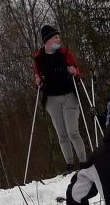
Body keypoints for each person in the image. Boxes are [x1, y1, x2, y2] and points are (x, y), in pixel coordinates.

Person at [32, 25, 86, 170]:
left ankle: (84, 162)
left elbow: (78, 73)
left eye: (59, 37)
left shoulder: (64, 53)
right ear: (47, 40)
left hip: (69, 95)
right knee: (62, 134)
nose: (58, 40)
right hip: (51, 99)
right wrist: (37, 81)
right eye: (56, 37)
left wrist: (75, 71)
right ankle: (69, 165)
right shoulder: (38, 58)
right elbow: (37, 77)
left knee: (72, 131)